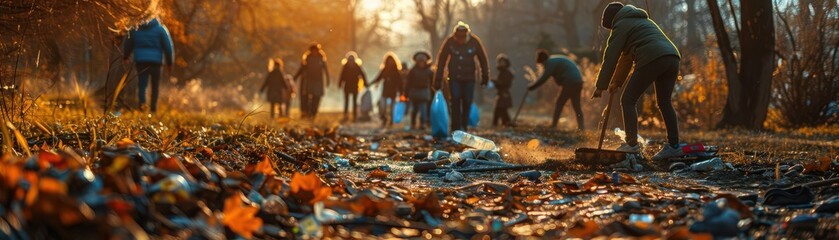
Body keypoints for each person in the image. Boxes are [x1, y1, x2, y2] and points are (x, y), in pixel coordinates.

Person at [591, 2, 683, 160]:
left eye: (611, 28)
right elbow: (626, 59)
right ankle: (674, 146)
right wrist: (616, 82)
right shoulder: (641, 21)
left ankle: (632, 145)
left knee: (627, 100)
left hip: (652, 57)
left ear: (613, 21)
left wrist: (600, 86)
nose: (612, 31)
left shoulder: (621, 24)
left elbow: (611, 56)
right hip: (672, 57)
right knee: (664, 102)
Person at [433, 21, 490, 132]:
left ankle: (464, 126)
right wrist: (438, 79)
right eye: (458, 37)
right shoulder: (450, 42)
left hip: (469, 78)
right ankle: (455, 127)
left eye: (462, 37)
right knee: (455, 100)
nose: (460, 39)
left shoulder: (474, 42)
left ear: (467, 35)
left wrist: (485, 76)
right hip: (454, 77)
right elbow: (441, 60)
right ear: (455, 35)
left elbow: (483, 59)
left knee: (467, 101)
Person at [122, 18, 174, 113]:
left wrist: (126, 56)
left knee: (142, 85)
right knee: (155, 86)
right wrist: (169, 63)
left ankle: (142, 108)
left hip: (141, 60)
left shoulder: (136, 28)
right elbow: (168, 47)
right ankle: (153, 109)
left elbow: (128, 42)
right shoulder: (160, 29)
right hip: (156, 62)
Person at [527, 50, 585, 130]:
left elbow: (544, 77)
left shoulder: (550, 63)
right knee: (576, 105)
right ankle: (581, 127)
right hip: (578, 82)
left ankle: (554, 125)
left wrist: (532, 86)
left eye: (542, 63)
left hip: (571, 83)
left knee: (560, 103)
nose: (543, 66)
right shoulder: (554, 60)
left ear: (543, 60)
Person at [294, 44, 330, 119]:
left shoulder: (321, 59)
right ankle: (306, 113)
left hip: (318, 82)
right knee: (306, 98)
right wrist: (295, 78)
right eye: (313, 50)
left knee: (316, 99)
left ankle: (313, 113)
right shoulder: (307, 59)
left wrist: (328, 80)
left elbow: (326, 71)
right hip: (309, 82)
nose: (314, 52)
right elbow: (301, 69)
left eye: (315, 50)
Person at [369, 52, 403, 127]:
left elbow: (400, 82)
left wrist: (401, 92)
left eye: (391, 61)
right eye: (388, 61)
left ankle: (390, 121)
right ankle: (384, 118)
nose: (390, 62)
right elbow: (378, 78)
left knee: (392, 108)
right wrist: (370, 84)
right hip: (385, 91)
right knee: (382, 107)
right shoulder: (384, 70)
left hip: (393, 91)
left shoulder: (396, 71)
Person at [405, 51, 434, 130]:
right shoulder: (413, 71)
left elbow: (433, 82)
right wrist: (406, 94)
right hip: (415, 93)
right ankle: (414, 123)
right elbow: (408, 83)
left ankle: (422, 124)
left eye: (422, 61)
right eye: (419, 61)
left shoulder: (429, 71)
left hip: (423, 92)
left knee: (422, 109)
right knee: (415, 109)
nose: (421, 63)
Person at [338, 52, 368, 121]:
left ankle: (354, 116)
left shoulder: (357, 66)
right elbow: (342, 76)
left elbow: (362, 75)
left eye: (352, 59)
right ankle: (345, 115)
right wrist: (340, 83)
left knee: (354, 101)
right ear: (347, 60)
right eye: (349, 59)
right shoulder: (345, 67)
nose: (351, 61)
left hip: (355, 86)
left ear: (355, 60)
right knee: (346, 101)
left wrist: (365, 83)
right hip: (347, 86)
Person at [492, 54, 514, 127]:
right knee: (500, 110)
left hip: (504, 94)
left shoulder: (507, 73)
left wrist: (494, 81)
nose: (501, 63)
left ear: (506, 63)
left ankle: (505, 124)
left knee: (502, 110)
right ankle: (502, 124)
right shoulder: (501, 72)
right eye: (500, 62)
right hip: (501, 94)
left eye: (503, 62)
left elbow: (504, 83)